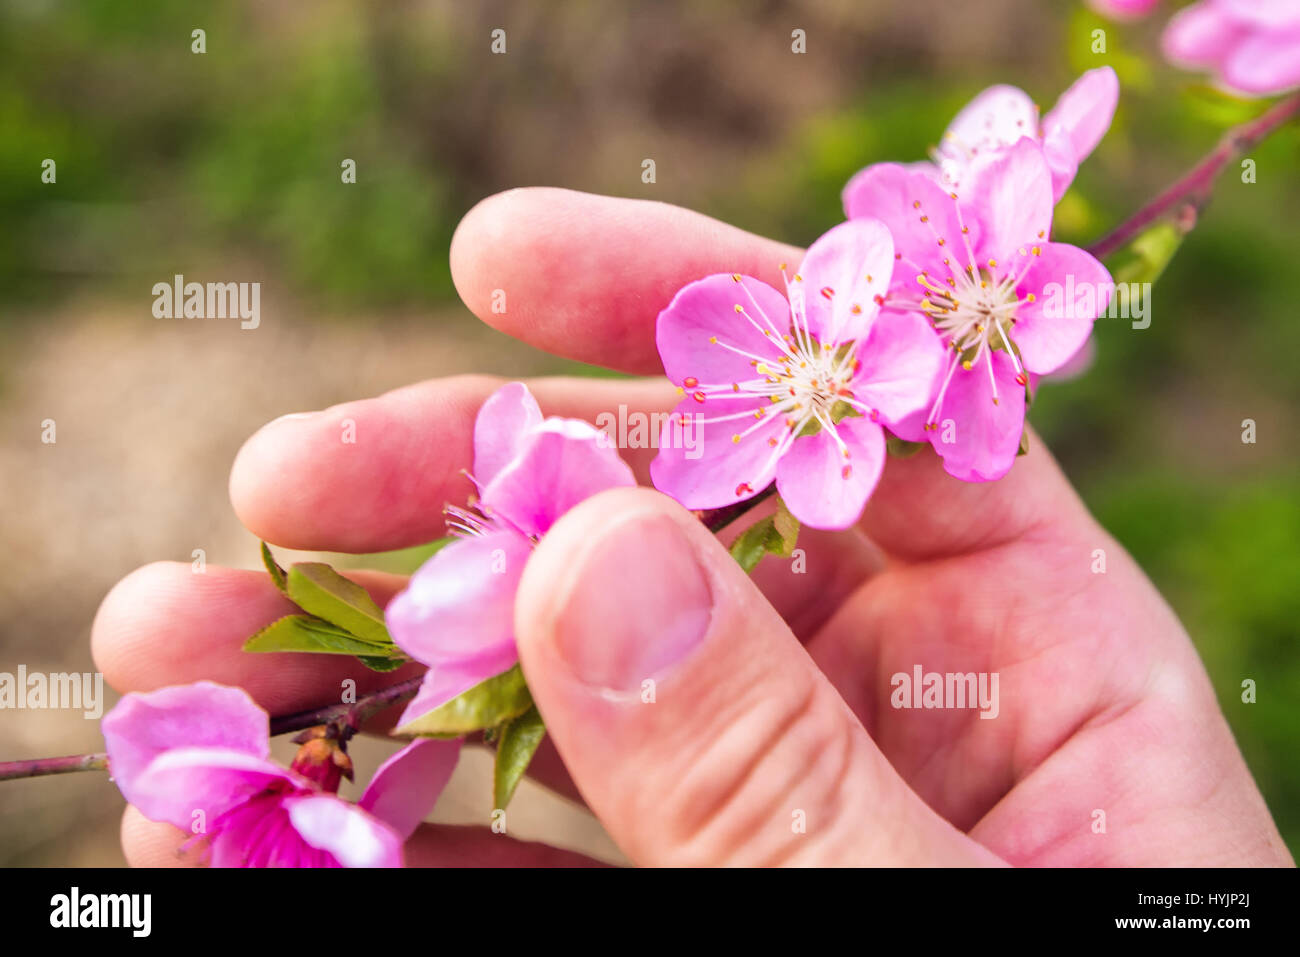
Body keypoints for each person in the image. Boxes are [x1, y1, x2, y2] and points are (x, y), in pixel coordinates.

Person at [91, 188, 1293, 867]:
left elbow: (836, 453)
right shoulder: (753, 420)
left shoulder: (874, 375)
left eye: (826, 364)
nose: (807, 382)